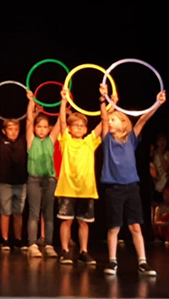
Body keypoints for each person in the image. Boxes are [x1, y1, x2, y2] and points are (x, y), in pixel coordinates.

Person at [100, 84, 165, 276]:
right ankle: (112, 262)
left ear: (124, 123)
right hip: (113, 189)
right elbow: (103, 118)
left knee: (135, 226)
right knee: (114, 227)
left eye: (115, 119)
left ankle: (142, 262)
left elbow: (143, 119)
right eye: (110, 120)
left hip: (131, 188)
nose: (110, 122)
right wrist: (104, 101)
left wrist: (158, 103)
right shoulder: (107, 140)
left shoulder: (131, 138)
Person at [54, 87, 102, 265]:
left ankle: (84, 251)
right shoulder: (65, 141)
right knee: (66, 222)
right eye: (76, 125)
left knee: (84, 222)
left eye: (82, 125)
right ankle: (65, 251)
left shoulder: (89, 142)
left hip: (86, 190)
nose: (80, 128)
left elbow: (101, 126)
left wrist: (109, 104)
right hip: (67, 188)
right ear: (70, 128)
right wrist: (64, 101)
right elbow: (61, 120)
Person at [0, 97, 28, 252]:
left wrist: (34, 108)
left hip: (21, 183)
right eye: (10, 129)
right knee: (5, 212)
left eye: (16, 129)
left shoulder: (24, 141)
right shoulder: (0, 141)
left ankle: (17, 239)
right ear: (4, 130)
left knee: (18, 213)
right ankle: (5, 240)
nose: (13, 132)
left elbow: (30, 124)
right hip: (4, 183)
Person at [25, 91, 60, 258]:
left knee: (49, 214)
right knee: (33, 213)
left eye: (45, 127)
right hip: (34, 180)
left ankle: (49, 245)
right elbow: (29, 119)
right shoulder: (31, 140)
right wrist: (31, 102)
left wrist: (64, 100)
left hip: (50, 181)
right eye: (39, 127)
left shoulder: (51, 139)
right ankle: (32, 244)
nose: (42, 130)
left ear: (49, 128)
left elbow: (61, 122)